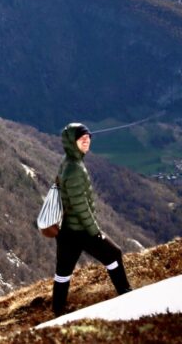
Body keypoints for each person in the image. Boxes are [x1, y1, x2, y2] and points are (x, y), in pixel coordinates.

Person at [51, 122, 131, 316]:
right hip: (80, 230)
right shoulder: (75, 169)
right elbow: (81, 207)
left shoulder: (68, 162)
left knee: (63, 272)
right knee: (114, 254)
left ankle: (58, 311)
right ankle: (126, 294)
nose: (87, 141)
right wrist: (95, 232)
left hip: (66, 231)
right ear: (72, 142)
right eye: (81, 138)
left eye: (88, 137)